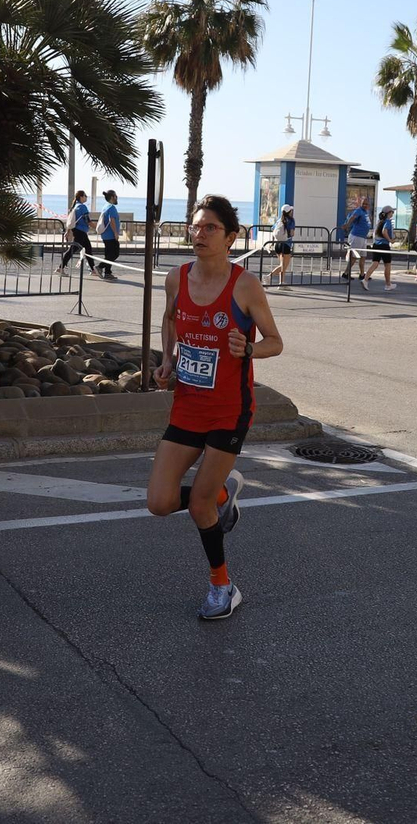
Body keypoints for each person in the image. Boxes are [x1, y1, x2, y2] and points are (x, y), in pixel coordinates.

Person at [150, 194, 283, 621]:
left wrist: (249, 351)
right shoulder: (176, 277)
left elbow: (275, 342)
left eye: (210, 228)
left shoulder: (244, 285)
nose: (199, 234)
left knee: (200, 508)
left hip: (229, 409)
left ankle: (223, 586)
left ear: (231, 238)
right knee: (158, 501)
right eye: (195, 226)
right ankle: (224, 492)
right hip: (187, 404)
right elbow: (170, 320)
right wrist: (167, 359)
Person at [57, 190, 97, 274]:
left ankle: (93, 270)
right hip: (81, 231)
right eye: (85, 196)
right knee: (72, 249)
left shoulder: (75, 206)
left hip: (77, 231)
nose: (86, 197)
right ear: (81, 197)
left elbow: (71, 221)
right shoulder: (82, 207)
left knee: (88, 249)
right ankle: (61, 267)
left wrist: (68, 231)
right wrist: (98, 228)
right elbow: (87, 220)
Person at [340, 195, 372, 281]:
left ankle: (362, 274)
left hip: (363, 238)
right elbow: (352, 217)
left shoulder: (366, 212)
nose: (365, 205)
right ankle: (346, 273)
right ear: (361, 203)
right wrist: (347, 225)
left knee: (363, 257)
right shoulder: (358, 211)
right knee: (354, 257)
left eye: (366, 204)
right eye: (363, 203)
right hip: (356, 236)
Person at [367, 205, 398, 290]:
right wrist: (390, 240)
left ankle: (365, 279)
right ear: (389, 213)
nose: (393, 213)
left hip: (376, 245)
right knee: (387, 265)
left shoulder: (379, 222)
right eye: (392, 212)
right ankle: (388, 284)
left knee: (375, 263)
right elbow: (384, 232)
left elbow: (376, 233)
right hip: (384, 246)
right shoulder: (388, 222)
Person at [265, 204, 295, 287]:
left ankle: (281, 283)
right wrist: (289, 235)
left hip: (277, 244)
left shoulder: (279, 220)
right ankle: (269, 276)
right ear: (289, 212)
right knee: (283, 266)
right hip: (286, 244)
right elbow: (292, 233)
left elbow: (272, 229)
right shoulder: (291, 220)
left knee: (282, 265)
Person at [97, 189, 121, 280]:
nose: (116, 198)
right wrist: (115, 233)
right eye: (116, 196)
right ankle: (99, 267)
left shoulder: (105, 206)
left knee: (108, 255)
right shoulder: (111, 207)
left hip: (105, 235)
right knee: (115, 254)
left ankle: (107, 273)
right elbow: (112, 221)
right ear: (112, 197)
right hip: (111, 236)